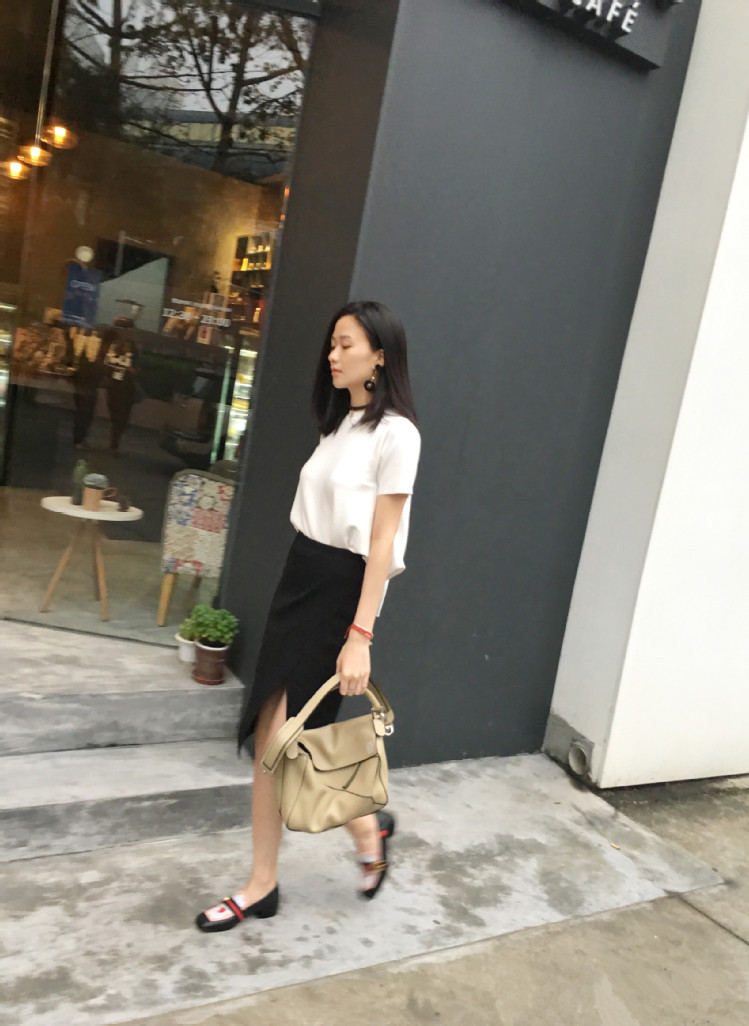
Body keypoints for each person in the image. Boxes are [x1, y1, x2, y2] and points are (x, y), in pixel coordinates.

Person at [195, 300, 421, 933]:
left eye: (346, 344)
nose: (333, 355)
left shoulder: (398, 434)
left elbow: (382, 544)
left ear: (380, 355)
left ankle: (270, 879)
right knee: (278, 741)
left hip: (339, 593)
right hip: (298, 581)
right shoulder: (340, 424)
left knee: (284, 742)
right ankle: (352, 833)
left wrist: (360, 636)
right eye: (332, 344)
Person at [103, 336, 137, 453]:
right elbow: (109, 370)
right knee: (116, 418)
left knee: (121, 419)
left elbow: (137, 373)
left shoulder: (133, 359)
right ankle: (114, 444)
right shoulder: (115, 357)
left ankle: (114, 444)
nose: (127, 350)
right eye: (125, 347)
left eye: (129, 348)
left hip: (126, 392)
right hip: (115, 391)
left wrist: (132, 371)